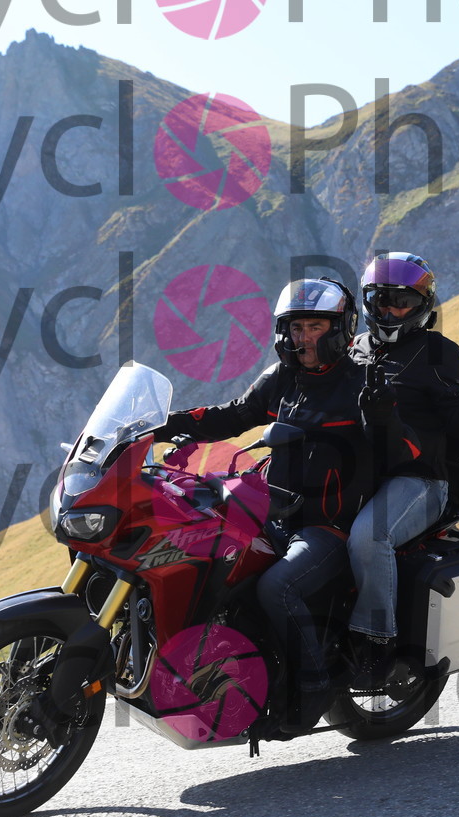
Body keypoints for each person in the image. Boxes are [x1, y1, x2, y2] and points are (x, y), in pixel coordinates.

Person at [151, 277, 416, 732]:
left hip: (328, 526)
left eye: (315, 327)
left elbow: (401, 452)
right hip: (269, 513)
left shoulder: (363, 384)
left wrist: (383, 417)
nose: (303, 337)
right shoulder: (282, 378)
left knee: (278, 588)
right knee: (204, 551)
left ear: (340, 328)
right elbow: (231, 415)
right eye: (296, 328)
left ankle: (312, 684)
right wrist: (157, 425)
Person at [346, 252, 459, 687]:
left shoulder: (438, 352)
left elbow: (455, 429)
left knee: (370, 537)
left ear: (423, 305)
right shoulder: (355, 349)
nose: (390, 311)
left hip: (420, 478)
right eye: (381, 300)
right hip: (359, 474)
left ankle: (377, 641)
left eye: (402, 302)